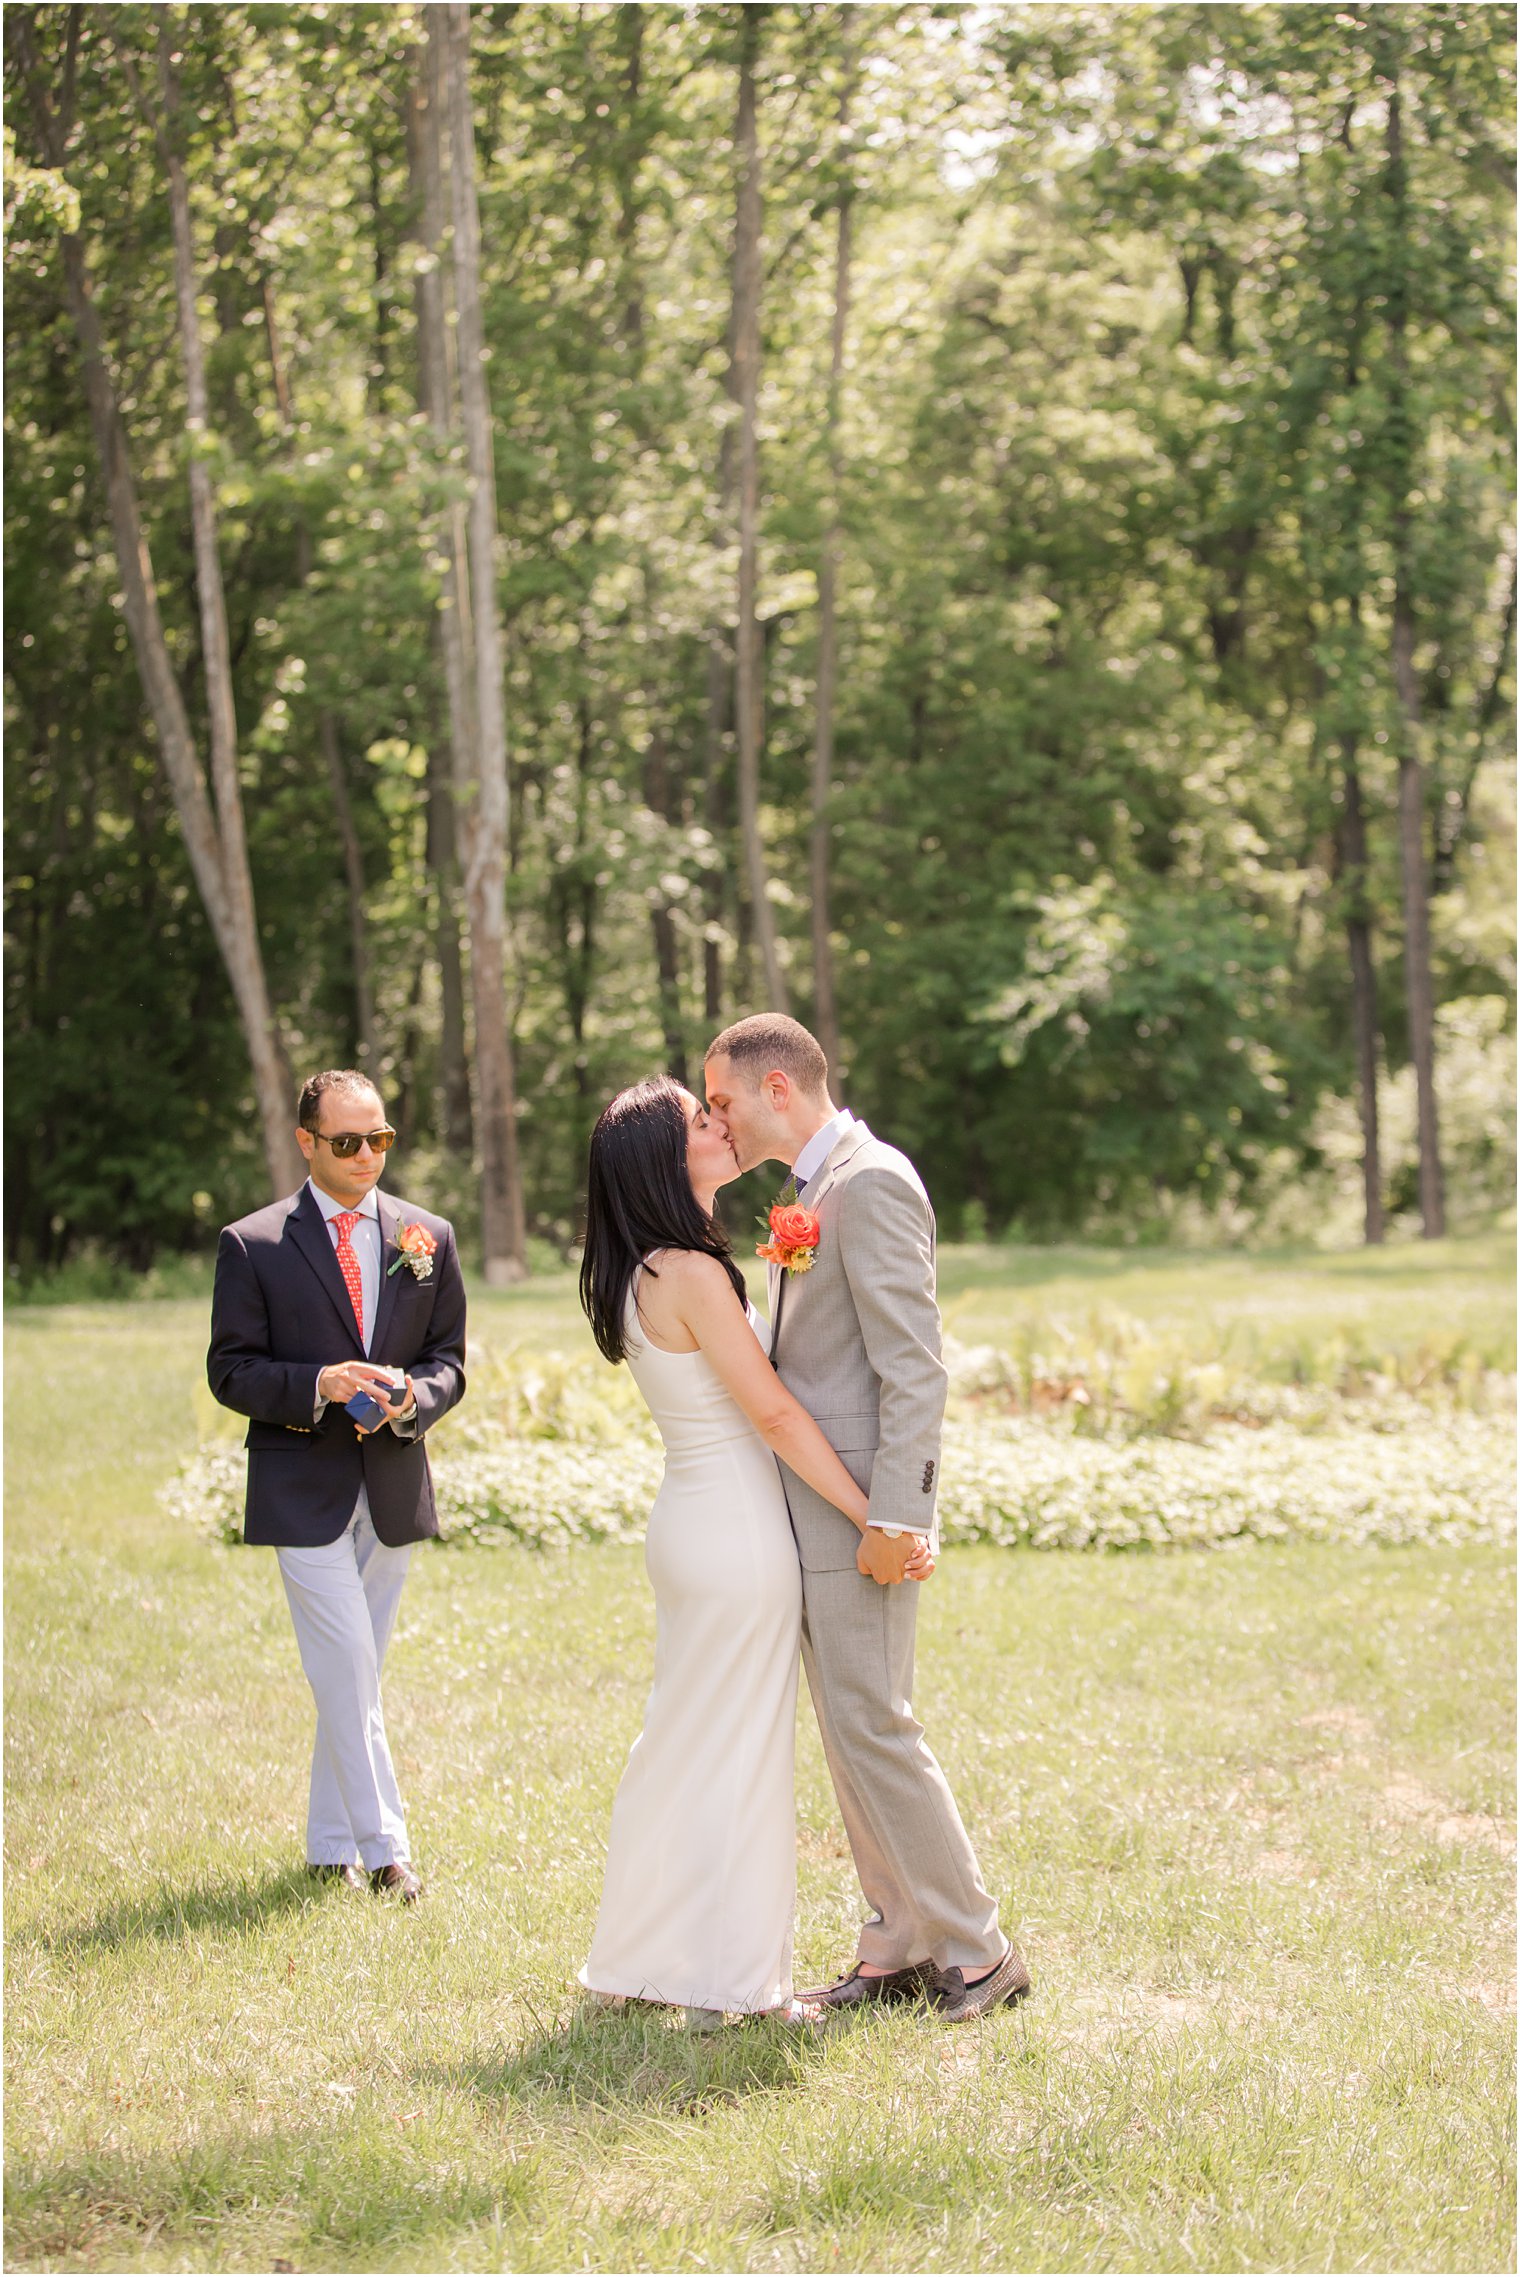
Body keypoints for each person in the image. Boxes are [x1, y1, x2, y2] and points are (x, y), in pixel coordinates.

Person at [576, 1075, 933, 2029]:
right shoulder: (689, 1271)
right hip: (736, 1532)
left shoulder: (641, 1264)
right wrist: (875, 1515)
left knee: (682, 1741)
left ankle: (635, 1959)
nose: (722, 1125)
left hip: (689, 1522)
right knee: (738, 1752)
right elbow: (773, 1413)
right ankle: (737, 1986)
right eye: (702, 1120)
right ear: (665, 1157)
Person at [703, 1014, 1030, 2023]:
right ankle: (894, 1940)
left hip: (860, 1517)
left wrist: (897, 1515)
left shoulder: (871, 1180)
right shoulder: (810, 1190)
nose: (715, 1122)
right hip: (812, 1510)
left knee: (876, 1724)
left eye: (722, 1102)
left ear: (778, 1089)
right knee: (849, 1730)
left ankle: (978, 1949)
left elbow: (912, 1365)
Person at [207, 1069, 466, 1903]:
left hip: (392, 1478)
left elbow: (449, 1363)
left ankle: (328, 1846)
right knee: (349, 1661)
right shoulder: (254, 1244)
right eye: (347, 1141)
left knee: (350, 1669)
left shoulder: (428, 1235)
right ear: (307, 1142)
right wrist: (319, 1382)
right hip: (300, 1485)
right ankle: (387, 1850)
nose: (366, 1156)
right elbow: (231, 1370)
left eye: (379, 1139)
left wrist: (411, 1400)